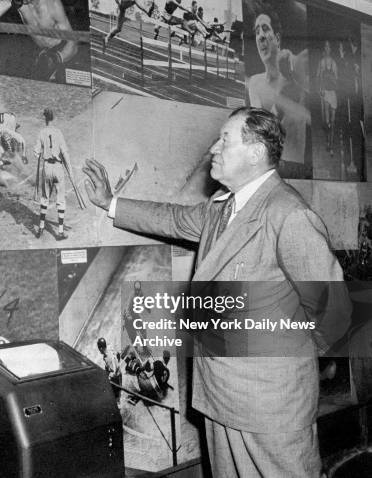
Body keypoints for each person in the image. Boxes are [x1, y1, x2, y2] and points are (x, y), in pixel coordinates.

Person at [83, 107, 351, 477]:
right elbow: (172, 218)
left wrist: (281, 365)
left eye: (225, 138)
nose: (213, 148)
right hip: (218, 396)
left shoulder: (288, 215)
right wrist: (109, 203)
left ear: (256, 152)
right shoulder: (221, 209)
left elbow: (335, 315)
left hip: (269, 404)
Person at [246, 9, 310, 172]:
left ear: (278, 38)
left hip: (294, 169)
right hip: (266, 168)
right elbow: (262, 133)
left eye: (265, 29)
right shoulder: (255, 82)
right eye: (257, 31)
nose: (260, 36)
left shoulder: (297, 79)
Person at [0, 0, 79, 82]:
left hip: (62, 53)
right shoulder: (19, 1)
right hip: (39, 52)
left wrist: (57, 58)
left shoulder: (53, 5)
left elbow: (73, 42)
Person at [34, 108, 71, 240]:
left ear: (45, 118)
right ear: (53, 118)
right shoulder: (58, 132)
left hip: (47, 168)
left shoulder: (42, 132)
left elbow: (36, 152)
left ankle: (41, 227)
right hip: (58, 168)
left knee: (45, 197)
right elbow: (65, 153)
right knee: (60, 199)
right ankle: (60, 232)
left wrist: (39, 154)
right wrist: (70, 172)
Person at [317, 40, 338, 155]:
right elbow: (319, 78)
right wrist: (320, 89)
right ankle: (327, 142)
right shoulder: (321, 62)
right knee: (327, 120)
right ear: (324, 49)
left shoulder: (334, 63)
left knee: (333, 121)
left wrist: (332, 77)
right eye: (325, 47)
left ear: (331, 49)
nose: (327, 49)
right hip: (325, 92)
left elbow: (337, 80)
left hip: (333, 93)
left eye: (329, 47)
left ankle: (331, 144)